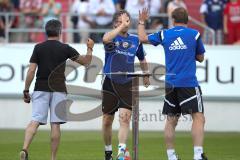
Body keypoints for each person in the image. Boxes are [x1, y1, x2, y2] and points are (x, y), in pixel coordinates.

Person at [138, 8, 208, 160]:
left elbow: (142, 38)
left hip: (170, 84)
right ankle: (197, 155)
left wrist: (142, 21)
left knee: (171, 120)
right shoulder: (194, 34)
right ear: (187, 20)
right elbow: (201, 57)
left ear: (172, 20)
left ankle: (171, 156)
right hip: (188, 83)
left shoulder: (165, 34)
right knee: (198, 117)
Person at [19, 19, 94, 160]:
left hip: (41, 88)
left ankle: (25, 148)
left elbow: (31, 71)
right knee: (55, 125)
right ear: (60, 32)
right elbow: (86, 62)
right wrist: (90, 48)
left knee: (34, 120)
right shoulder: (65, 48)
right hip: (59, 89)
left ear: (46, 32)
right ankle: (53, 158)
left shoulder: (38, 47)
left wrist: (26, 90)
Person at [102, 10, 150, 160]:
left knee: (124, 118)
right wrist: (121, 25)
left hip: (128, 83)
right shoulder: (112, 36)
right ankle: (108, 151)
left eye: (128, 20)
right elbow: (105, 39)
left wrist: (146, 74)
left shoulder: (136, 40)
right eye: (122, 20)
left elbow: (142, 59)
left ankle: (121, 152)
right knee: (107, 120)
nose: (126, 23)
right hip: (110, 81)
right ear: (116, 23)